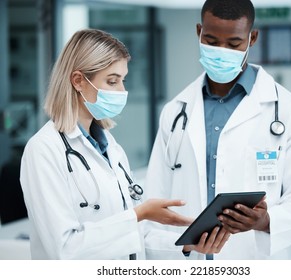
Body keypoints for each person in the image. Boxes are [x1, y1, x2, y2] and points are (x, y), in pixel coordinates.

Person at [143, 0, 291, 260]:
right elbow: (155, 203)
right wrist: (181, 244)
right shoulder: (175, 112)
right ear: (198, 31)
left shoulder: (288, 111)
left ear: (252, 38)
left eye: (233, 44)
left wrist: (264, 221)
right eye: (211, 41)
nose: (221, 51)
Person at [19, 29, 193, 260]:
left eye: (123, 80)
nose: (122, 91)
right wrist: (138, 214)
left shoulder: (111, 148)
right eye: (112, 81)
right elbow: (65, 249)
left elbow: (133, 237)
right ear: (78, 81)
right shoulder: (44, 150)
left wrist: (187, 243)